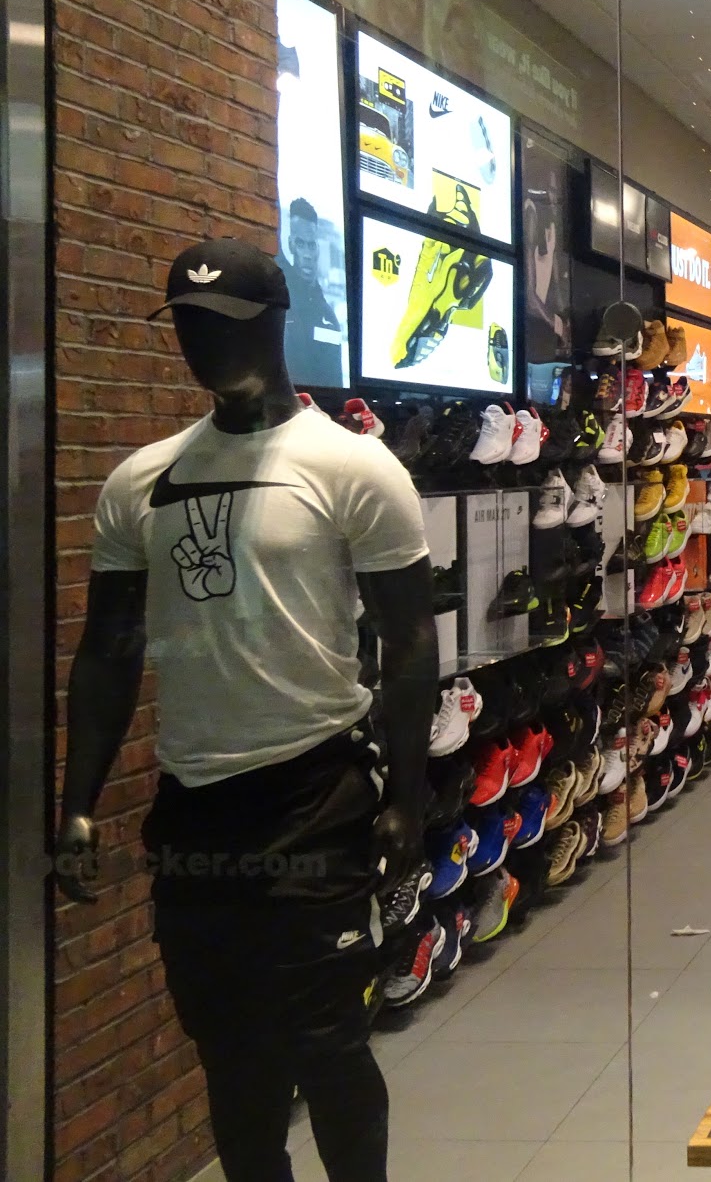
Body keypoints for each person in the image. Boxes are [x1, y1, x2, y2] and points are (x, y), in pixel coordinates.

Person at [55, 240, 437, 1182]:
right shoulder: (140, 480)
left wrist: (408, 795)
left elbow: (408, 643)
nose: (204, 343)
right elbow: (107, 651)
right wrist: (77, 802)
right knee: (231, 1054)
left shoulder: (352, 466)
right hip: (195, 802)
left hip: (316, 791)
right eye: (188, 324)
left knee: (327, 1041)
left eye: (225, 323)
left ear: (276, 324)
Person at [277, 198, 344, 387]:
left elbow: (335, 387)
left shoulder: (329, 318)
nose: (307, 255)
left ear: (318, 249)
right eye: (300, 244)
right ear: (291, 245)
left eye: (311, 245)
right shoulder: (282, 291)